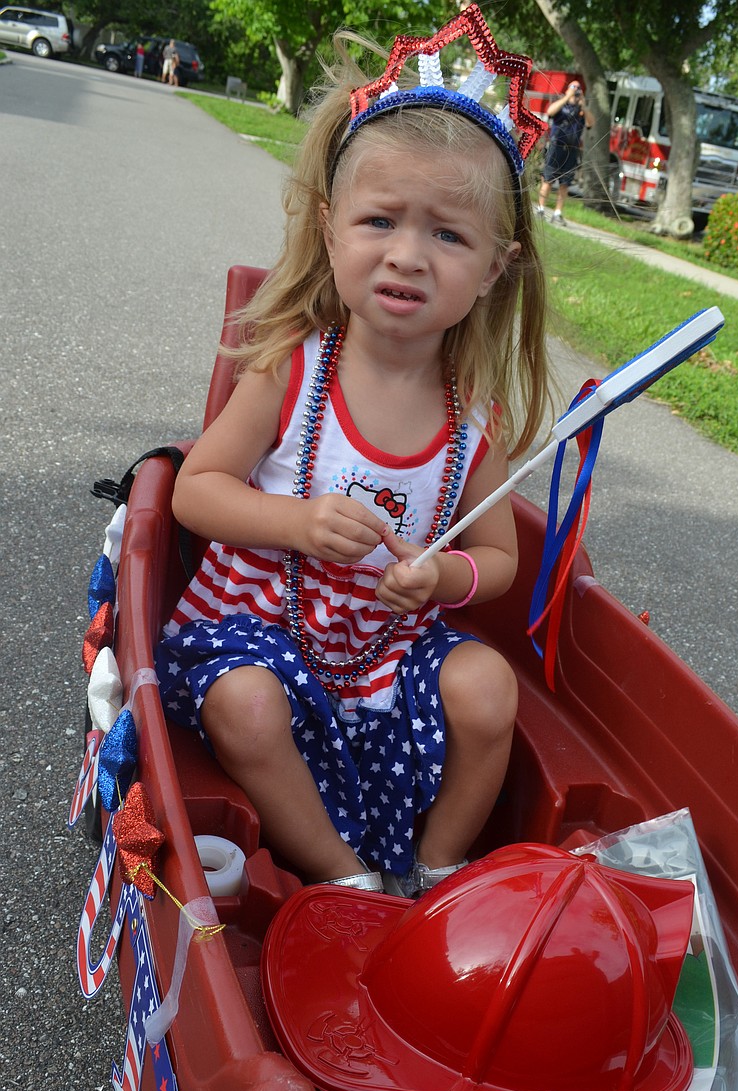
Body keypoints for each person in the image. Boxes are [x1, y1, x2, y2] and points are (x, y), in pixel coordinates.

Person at [154, 4, 551, 898]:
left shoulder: (469, 415)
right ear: (332, 228)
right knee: (247, 706)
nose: (408, 256)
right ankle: (347, 881)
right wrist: (294, 521)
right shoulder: (290, 371)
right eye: (380, 222)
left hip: (382, 642)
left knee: (489, 688)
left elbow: (498, 556)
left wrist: (442, 579)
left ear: (494, 267)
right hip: (258, 630)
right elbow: (196, 493)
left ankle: (436, 868)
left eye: (448, 234)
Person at [535, 81, 594, 221]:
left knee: (564, 184)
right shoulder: (562, 104)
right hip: (557, 146)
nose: (576, 90)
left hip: (572, 150)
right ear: (568, 89)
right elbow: (550, 112)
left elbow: (591, 123)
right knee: (548, 179)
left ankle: (558, 213)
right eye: (573, 87)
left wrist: (584, 106)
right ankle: (541, 209)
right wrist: (567, 97)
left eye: (579, 88)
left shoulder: (581, 110)